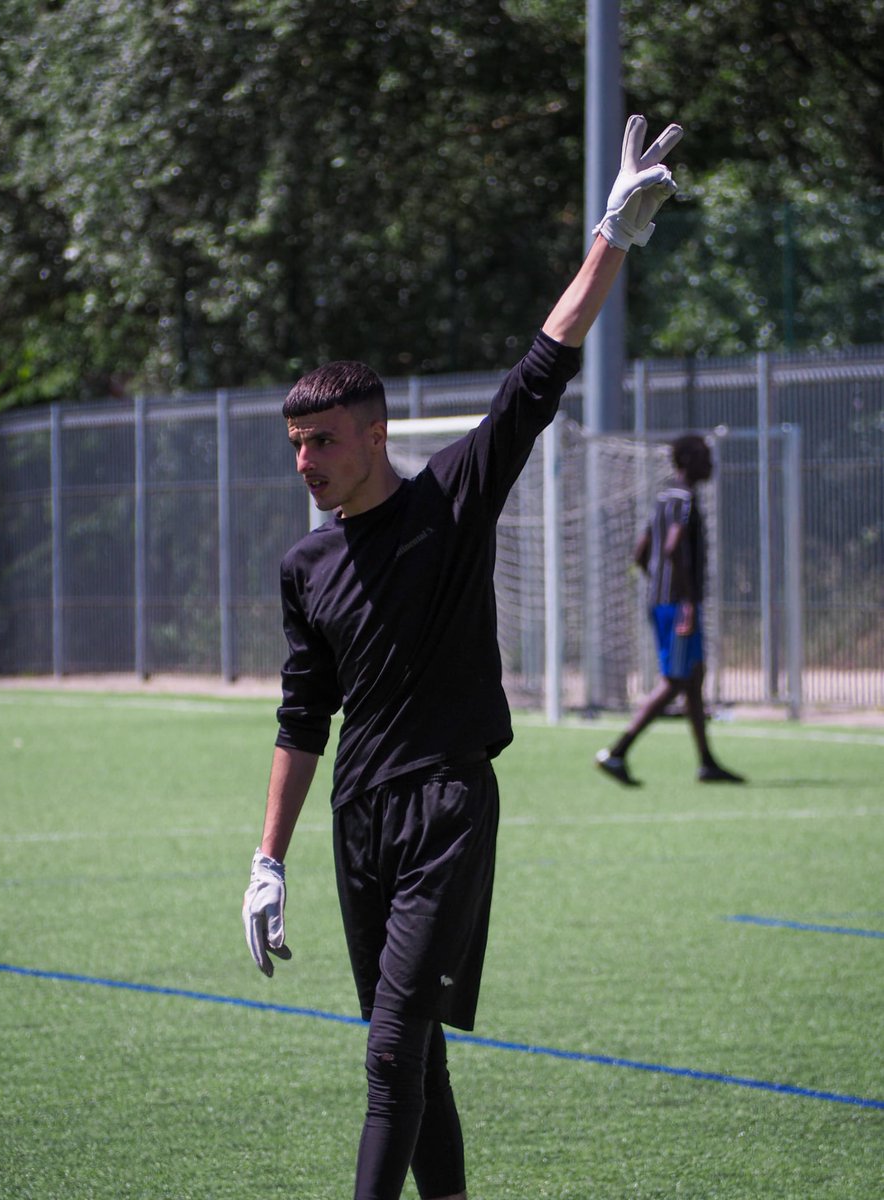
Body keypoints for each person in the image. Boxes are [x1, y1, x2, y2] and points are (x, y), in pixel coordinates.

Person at [242, 114, 683, 1200]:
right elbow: (305, 718)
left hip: (447, 808)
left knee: (390, 1054)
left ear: (374, 435)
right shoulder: (306, 568)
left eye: (323, 441)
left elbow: (540, 373)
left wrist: (611, 238)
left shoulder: (452, 499)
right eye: (295, 444)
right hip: (360, 822)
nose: (306, 461)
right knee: (418, 1059)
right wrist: (267, 858)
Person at [595, 433, 745, 787]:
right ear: (690, 461)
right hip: (678, 605)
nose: (712, 463)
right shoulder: (686, 500)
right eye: (706, 457)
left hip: (661, 602)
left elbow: (641, 551)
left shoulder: (663, 499)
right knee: (676, 680)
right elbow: (673, 548)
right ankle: (617, 752)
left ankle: (707, 763)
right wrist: (687, 600)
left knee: (693, 678)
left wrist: (658, 586)